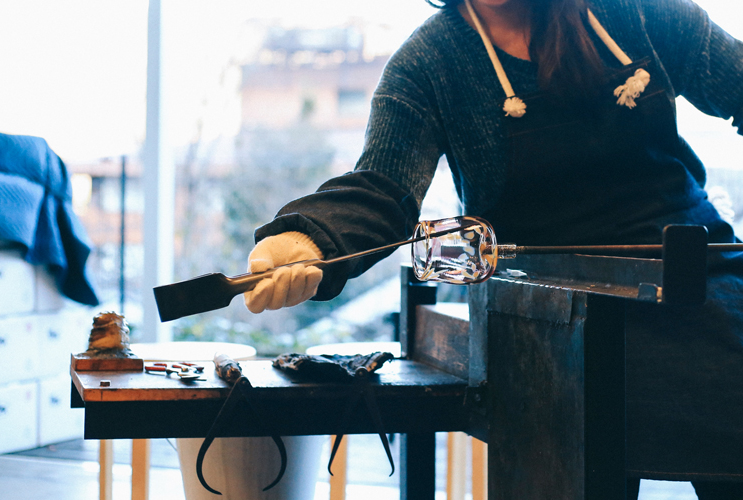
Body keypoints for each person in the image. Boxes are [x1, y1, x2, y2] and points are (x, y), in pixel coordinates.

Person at [244, 0, 743, 498]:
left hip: (699, 280)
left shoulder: (638, 13)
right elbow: (383, 188)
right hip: (545, 315)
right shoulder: (430, 62)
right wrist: (308, 237)